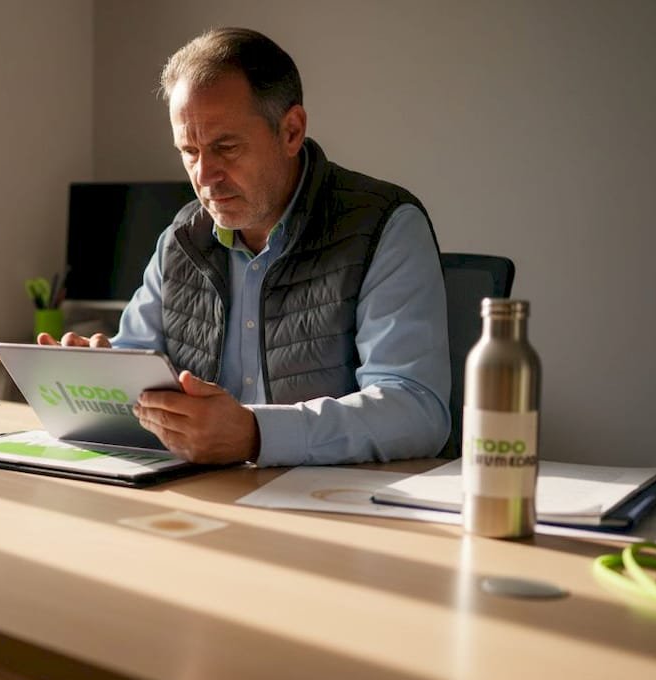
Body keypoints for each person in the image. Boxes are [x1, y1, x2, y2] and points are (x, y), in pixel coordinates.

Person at [39, 26, 450, 469]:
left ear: (291, 131)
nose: (205, 175)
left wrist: (255, 435)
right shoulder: (182, 238)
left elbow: (414, 409)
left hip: (332, 507)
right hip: (203, 498)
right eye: (189, 151)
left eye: (226, 147)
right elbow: (137, 361)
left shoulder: (384, 225)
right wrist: (102, 376)